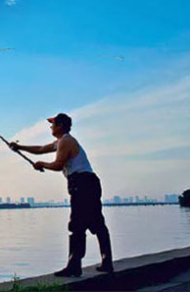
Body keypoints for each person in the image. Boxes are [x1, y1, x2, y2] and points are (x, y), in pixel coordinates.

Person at [9, 113, 113, 277]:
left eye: (53, 124)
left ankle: (74, 266)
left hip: (82, 184)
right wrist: (20, 147)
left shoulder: (66, 141)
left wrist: (42, 164)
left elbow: (58, 165)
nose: (50, 127)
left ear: (61, 125)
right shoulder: (61, 141)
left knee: (77, 225)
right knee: (97, 223)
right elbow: (41, 149)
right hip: (87, 183)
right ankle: (106, 263)